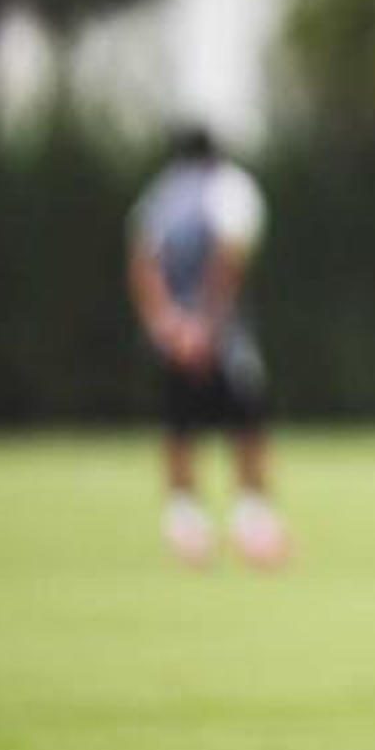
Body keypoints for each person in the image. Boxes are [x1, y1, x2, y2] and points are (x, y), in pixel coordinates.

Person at [126, 124, 288, 568]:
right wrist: (204, 325)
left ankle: (185, 525)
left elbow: (143, 264)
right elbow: (227, 261)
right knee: (247, 419)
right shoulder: (233, 190)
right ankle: (253, 524)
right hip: (221, 332)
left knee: (179, 424)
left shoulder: (159, 195)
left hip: (173, 334)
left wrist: (166, 325)